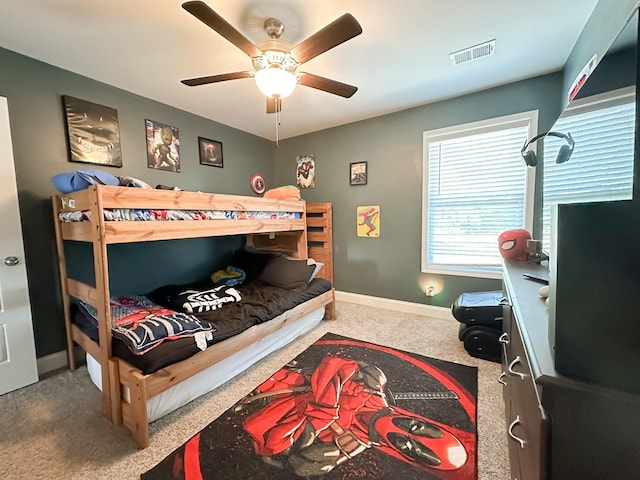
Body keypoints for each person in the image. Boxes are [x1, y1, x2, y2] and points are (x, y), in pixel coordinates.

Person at [239, 355, 473, 478]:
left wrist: (316, 435)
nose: (402, 434)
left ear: (406, 457)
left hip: (266, 406)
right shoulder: (374, 382)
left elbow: (292, 461)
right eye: (415, 428)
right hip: (285, 377)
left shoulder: (347, 446)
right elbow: (333, 365)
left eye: (410, 447)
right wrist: (325, 409)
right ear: (423, 421)